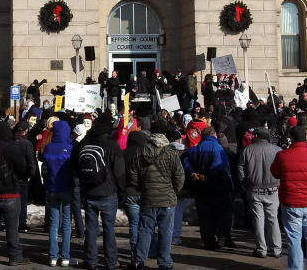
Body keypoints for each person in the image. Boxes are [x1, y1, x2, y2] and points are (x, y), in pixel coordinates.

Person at [0, 121, 34, 266]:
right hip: (11, 193)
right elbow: (22, 168)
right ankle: (14, 257)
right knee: (12, 227)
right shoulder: (12, 148)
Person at [127, 130, 184, 270]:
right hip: (167, 200)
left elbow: (133, 174)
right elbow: (180, 176)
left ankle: (138, 261)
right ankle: (164, 262)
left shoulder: (140, 153)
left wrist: (142, 187)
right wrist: (173, 191)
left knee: (145, 230)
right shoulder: (171, 154)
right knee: (166, 232)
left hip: (148, 198)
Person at [271, 126, 307, 270]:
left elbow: (275, 173)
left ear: (291, 138)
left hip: (291, 201)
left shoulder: (282, 155)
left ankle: (296, 268)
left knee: (294, 239)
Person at [79, 113, 125, 270]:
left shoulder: (84, 141)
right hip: (107, 191)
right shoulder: (111, 144)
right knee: (108, 228)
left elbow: (75, 165)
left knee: (91, 228)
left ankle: (91, 261)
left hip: (89, 191)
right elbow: (119, 170)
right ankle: (111, 261)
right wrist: (121, 189)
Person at [183, 125, 233, 250]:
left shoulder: (194, 149)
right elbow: (219, 166)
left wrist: (192, 173)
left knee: (204, 215)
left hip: (199, 187)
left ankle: (208, 240)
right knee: (220, 213)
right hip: (216, 186)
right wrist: (207, 177)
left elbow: (185, 162)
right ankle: (222, 237)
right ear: (214, 135)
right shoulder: (217, 148)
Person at [237, 126, 282, 258]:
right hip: (273, 189)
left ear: (255, 136)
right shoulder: (277, 150)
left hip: (254, 189)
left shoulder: (247, 150)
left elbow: (240, 168)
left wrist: (244, 182)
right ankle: (276, 249)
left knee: (258, 219)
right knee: (273, 219)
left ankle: (261, 249)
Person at [41, 120, 75, 267]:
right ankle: (65, 256)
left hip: (52, 188)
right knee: (66, 224)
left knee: (54, 224)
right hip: (67, 188)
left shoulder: (48, 148)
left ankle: (53, 256)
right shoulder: (71, 148)